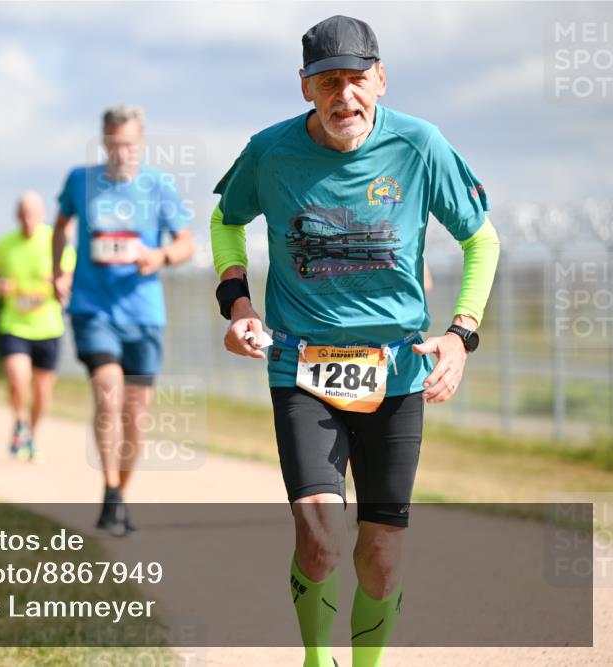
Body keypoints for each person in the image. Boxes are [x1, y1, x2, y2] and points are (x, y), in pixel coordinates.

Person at [210, 16, 500, 667]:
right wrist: (238, 305)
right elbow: (226, 219)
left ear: (381, 78)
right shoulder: (271, 150)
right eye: (329, 82)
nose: (346, 97)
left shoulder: (421, 146)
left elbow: (481, 239)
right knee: (318, 533)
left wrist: (460, 335)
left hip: (395, 374)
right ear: (306, 87)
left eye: (358, 79)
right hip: (300, 366)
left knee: (382, 554)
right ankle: (318, 658)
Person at [52, 105, 194, 534]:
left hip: (144, 314)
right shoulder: (80, 181)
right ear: (104, 142)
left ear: (141, 143)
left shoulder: (159, 186)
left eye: (128, 145)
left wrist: (162, 255)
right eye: (113, 145)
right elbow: (60, 226)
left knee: (136, 413)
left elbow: (186, 241)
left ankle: (118, 495)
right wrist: (57, 268)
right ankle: (111, 487)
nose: (120, 153)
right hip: (93, 309)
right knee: (108, 394)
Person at [0, 192, 76, 461]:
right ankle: (19, 423)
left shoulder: (55, 241)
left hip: (48, 326)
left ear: (41, 215)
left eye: (33, 213)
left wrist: (60, 284)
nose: (28, 218)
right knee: (17, 379)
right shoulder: (4, 244)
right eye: (23, 213)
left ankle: (32, 435)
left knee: (42, 391)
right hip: (14, 324)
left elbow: (68, 279)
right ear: (17, 215)